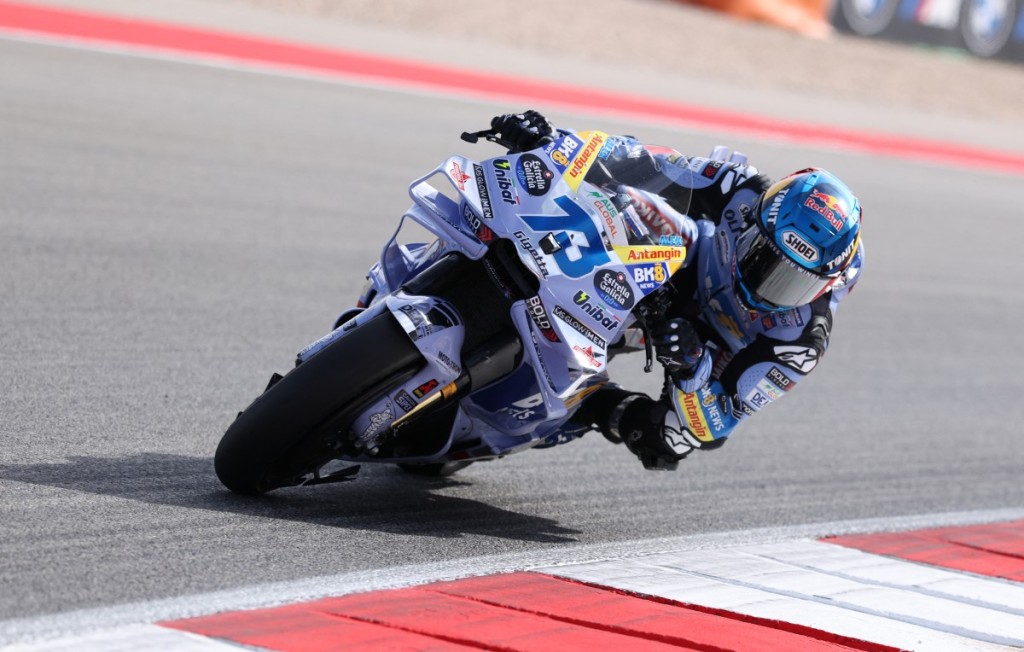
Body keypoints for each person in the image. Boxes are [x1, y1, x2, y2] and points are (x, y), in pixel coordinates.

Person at [490, 110, 864, 471]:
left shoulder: (801, 340)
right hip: (686, 262)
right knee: (621, 197)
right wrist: (553, 142)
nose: (770, 286)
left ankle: (594, 404)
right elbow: (646, 163)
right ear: (755, 223)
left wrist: (693, 367)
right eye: (766, 258)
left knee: (674, 436)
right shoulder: (742, 190)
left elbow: (719, 423)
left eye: (796, 282)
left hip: (709, 345)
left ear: (826, 283)